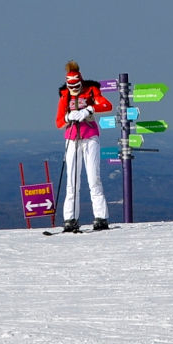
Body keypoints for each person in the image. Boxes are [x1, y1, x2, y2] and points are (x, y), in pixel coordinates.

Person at [54, 61, 114, 232]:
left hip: (90, 137)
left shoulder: (91, 90)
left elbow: (106, 105)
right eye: (70, 85)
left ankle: (101, 217)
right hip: (72, 139)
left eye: (76, 85)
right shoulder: (64, 95)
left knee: (93, 178)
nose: (73, 88)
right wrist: (68, 118)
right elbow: (58, 121)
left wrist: (88, 110)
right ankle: (70, 218)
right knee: (72, 181)